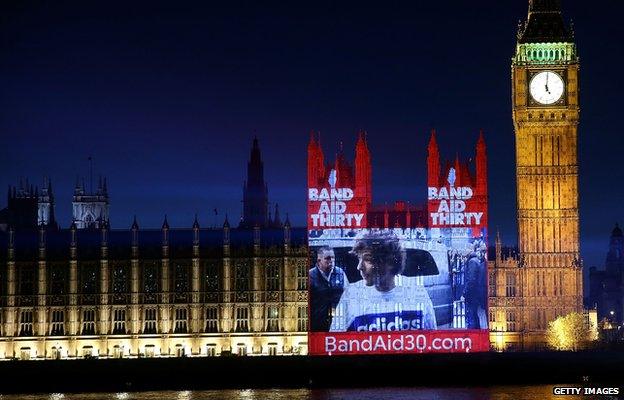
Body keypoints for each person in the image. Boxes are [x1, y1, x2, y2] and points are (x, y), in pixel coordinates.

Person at [330, 231, 437, 332]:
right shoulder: (351, 294)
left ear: (390, 262)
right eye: (359, 259)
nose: (359, 267)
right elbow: (334, 343)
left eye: (367, 259)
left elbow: (431, 341)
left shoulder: (417, 292)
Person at [309, 246, 347, 331]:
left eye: (333, 258)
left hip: (338, 324)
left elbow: (348, 296)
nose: (331, 261)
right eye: (328, 258)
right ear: (319, 260)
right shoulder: (310, 276)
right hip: (317, 326)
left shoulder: (340, 273)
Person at [464, 240, 487, 329]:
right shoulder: (474, 260)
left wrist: (465, 293)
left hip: (472, 294)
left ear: (469, 250)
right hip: (475, 293)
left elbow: (471, 280)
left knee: (472, 315)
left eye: (465, 249)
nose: (463, 251)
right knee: (473, 315)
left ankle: (473, 335)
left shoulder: (472, 261)